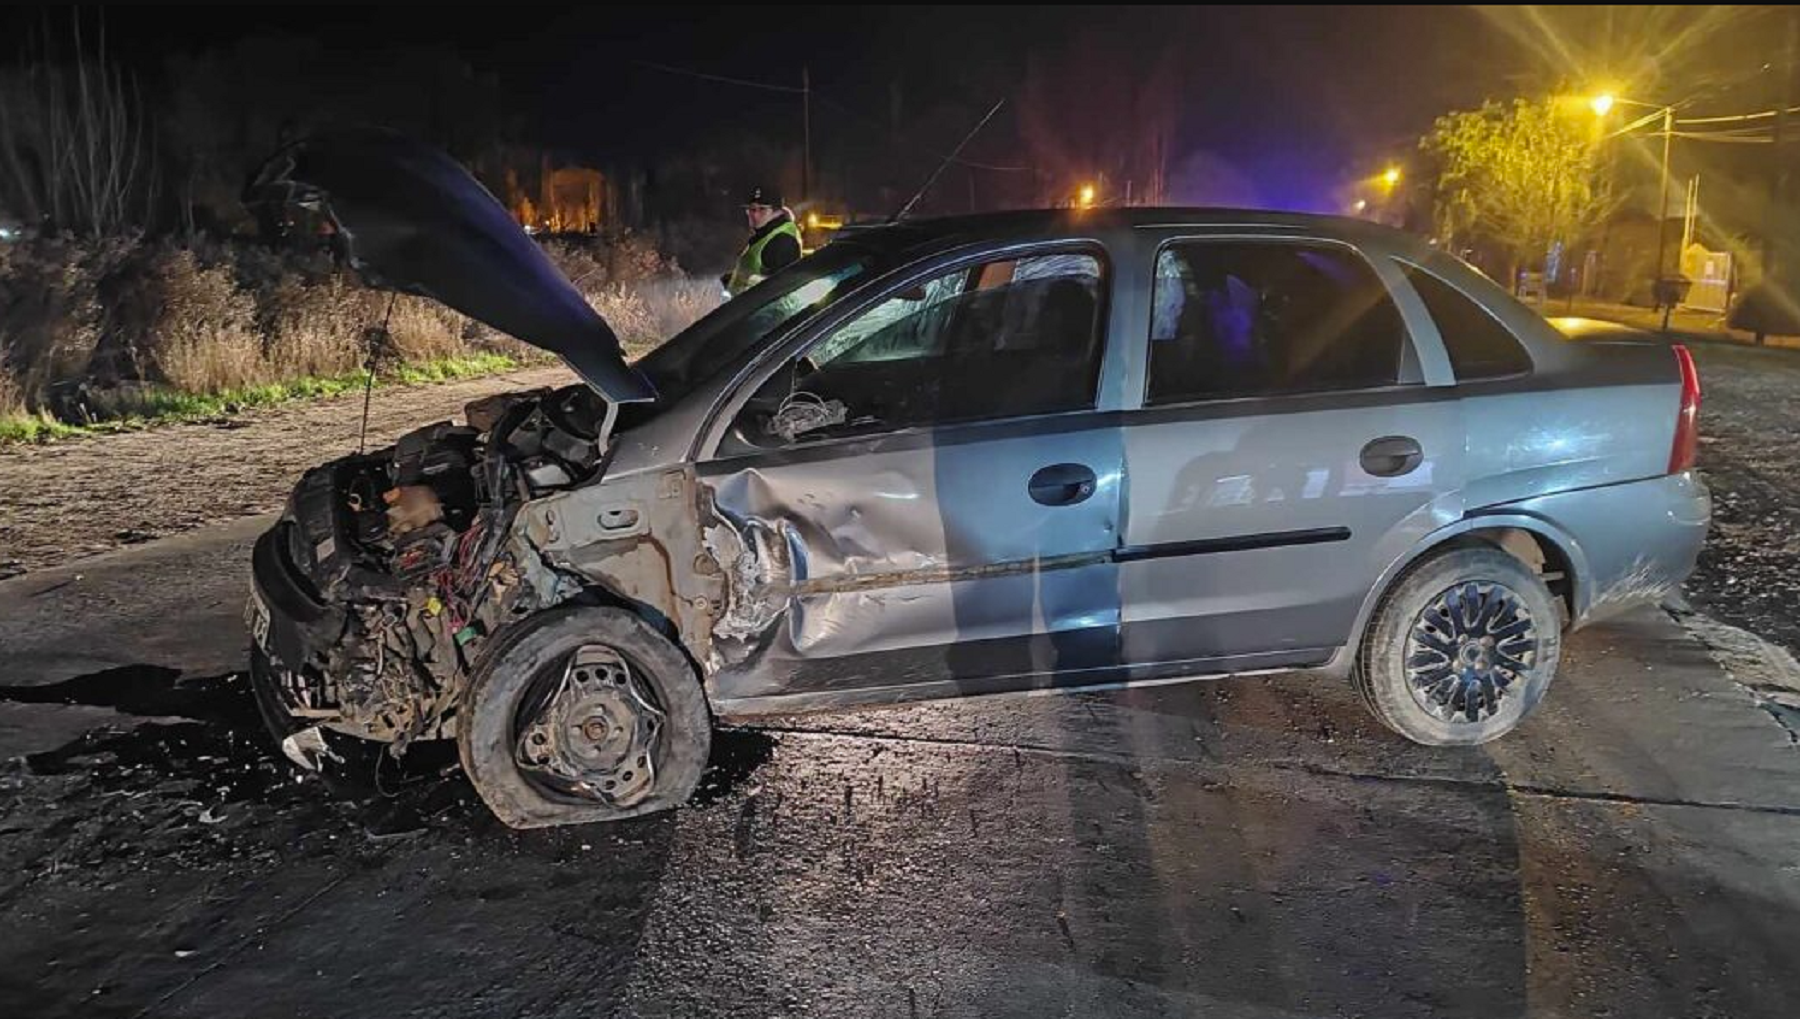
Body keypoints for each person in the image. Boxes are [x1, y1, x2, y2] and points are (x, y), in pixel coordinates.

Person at [722, 186, 803, 297]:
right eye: (751, 209)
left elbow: (781, 289)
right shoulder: (766, 235)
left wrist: (745, 281)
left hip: (766, 313)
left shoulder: (782, 241)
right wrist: (734, 279)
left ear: (777, 212)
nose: (754, 215)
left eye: (762, 209)